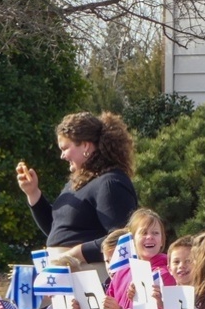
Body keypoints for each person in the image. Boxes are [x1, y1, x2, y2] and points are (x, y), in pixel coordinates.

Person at [17, 111, 139, 268]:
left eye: (65, 148)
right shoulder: (76, 183)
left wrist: (77, 253)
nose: (62, 156)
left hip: (92, 277)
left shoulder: (110, 183)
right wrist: (32, 193)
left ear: (85, 146)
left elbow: (122, 239)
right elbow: (58, 231)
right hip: (65, 276)